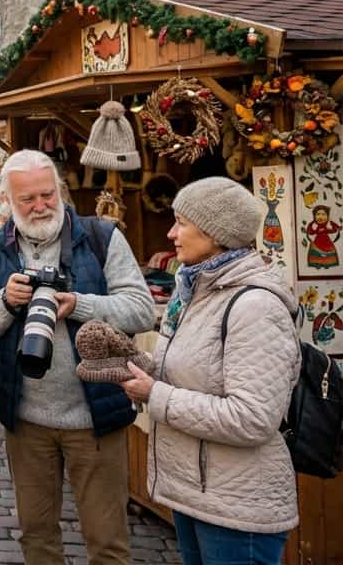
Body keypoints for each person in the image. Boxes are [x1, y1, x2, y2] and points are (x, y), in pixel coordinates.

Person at [0, 149, 154, 565]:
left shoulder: (101, 237)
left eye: (47, 195)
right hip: (26, 417)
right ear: (8, 201)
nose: (40, 206)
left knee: (107, 541)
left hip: (96, 414)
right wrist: (6, 301)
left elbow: (142, 310)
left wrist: (80, 304)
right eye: (27, 199)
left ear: (60, 190)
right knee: (37, 538)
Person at [121, 177, 299, 565]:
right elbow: (194, 371)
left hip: (238, 507)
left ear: (215, 233)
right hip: (197, 493)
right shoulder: (196, 291)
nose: (171, 234)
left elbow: (253, 418)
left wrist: (155, 394)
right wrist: (137, 366)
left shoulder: (255, 307)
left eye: (181, 223)